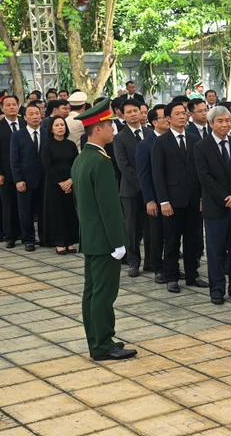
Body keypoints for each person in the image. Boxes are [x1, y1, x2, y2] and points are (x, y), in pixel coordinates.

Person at [71, 97, 136, 361]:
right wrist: (118, 242)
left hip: (91, 237)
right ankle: (101, 345)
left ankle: (98, 339)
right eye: (109, 124)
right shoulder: (100, 162)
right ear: (97, 128)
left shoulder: (82, 159)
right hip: (105, 241)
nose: (113, 129)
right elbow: (109, 208)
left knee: (92, 293)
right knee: (103, 295)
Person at [193, 106, 231, 304]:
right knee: (216, 250)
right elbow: (205, 177)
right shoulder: (201, 147)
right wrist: (225, 198)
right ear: (210, 124)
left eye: (227, 120)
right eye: (220, 121)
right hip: (215, 207)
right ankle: (217, 289)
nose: (225, 124)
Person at [152, 101, 207, 293]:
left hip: (193, 199)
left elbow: (200, 171)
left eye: (184, 113)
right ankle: (172, 277)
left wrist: (201, 197)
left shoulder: (194, 140)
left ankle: (192, 274)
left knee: (193, 240)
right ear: (168, 118)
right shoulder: (160, 142)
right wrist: (163, 201)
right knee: (172, 240)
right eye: (177, 114)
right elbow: (158, 174)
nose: (182, 116)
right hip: (172, 201)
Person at [114, 99, 154, 277]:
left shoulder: (150, 133)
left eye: (136, 110)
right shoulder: (120, 138)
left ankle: (151, 261)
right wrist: (142, 184)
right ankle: (133, 262)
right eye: (128, 112)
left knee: (151, 227)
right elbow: (123, 165)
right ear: (122, 115)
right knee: (131, 227)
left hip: (151, 191)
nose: (133, 114)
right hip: (130, 190)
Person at [136, 104, 167, 284]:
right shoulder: (145, 145)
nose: (168, 120)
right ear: (154, 122)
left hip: (173, 197)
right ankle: (157, 267)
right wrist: (149, 200)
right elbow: (144, 174)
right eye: (164, 117)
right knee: (155, 235)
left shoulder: (174, 140)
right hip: (155, 196)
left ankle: (170, 266)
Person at [10, 103, 47, 252]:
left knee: (44, 210)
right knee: (26, 211)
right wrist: (18, 179)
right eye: (31, 114)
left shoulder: (47, 132)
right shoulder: (17, 135)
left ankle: (45, 237)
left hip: (44, 178)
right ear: (24, 117)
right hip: (26, 179)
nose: (35, 117)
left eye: (37, 113)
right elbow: (14, 159)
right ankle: (29, 240)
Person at [0, 95, 25, 248]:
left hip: (24, 171)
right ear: (2, 108)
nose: (11, 107)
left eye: (14, 104)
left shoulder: (25, 123)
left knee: (25, 205)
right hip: (6, 172)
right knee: (8, 205)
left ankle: (26, 233)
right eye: (8, 105)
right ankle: (10, 235)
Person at [40, 116, 79, 254]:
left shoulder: (71, 144)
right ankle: (59, 242)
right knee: (57, 213)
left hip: (70, 182)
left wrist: (70, 181)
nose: (60, 127)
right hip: (54, 184)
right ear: (51, 129)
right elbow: (47, 166)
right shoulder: (47, 146)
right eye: (57, 125)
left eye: (62, 125)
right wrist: (61, 183)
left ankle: (70, 242)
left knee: (70, 213)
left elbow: (76, 164)